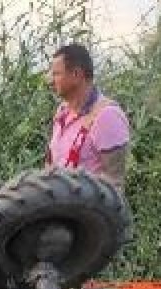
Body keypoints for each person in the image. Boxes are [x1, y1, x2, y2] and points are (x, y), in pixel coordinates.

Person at [46, 43, 130, 189]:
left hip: (88, 210)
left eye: (56, 74)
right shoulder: (62, 112)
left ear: (76, 75)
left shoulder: (107, 116)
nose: (50, 81)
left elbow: (115, 185)